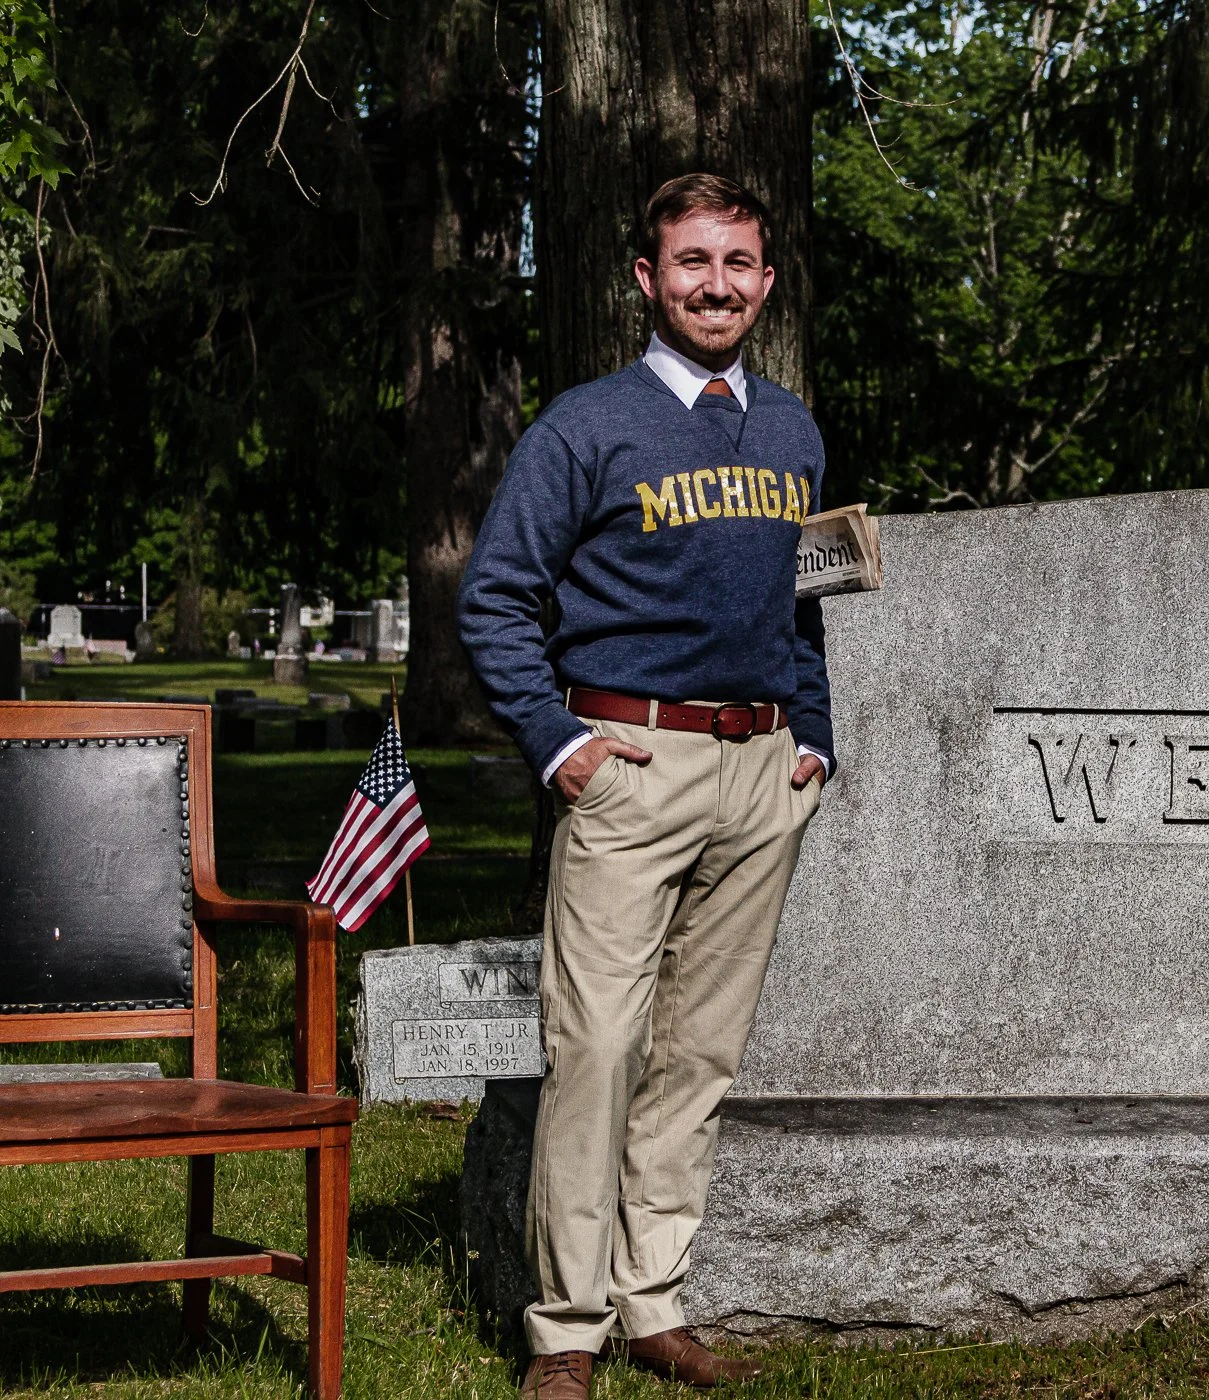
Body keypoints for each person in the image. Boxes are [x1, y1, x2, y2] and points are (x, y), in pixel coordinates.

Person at [458, 171, 833, 1399]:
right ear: (647, 278)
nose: (716, 285)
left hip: (760, 772)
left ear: (766, 280)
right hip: (629, 763)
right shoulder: (584, 427)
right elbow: (496, 598)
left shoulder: (792, 429)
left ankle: (653, 1300)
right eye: (692, 262)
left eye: (738, 263)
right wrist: (556, 741)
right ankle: (565, 1328)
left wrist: (815, 735)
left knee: (699, 1052)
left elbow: (805, 604)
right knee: (599, 1044)